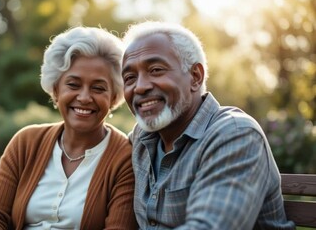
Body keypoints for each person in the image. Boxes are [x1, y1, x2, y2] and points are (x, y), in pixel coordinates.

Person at [121, 21, 295, 230]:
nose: (140, 87)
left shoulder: (235, 134)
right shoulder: (141, 138)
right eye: (130, 77)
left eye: (156, 70)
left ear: (195, 77)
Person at [0, 26, 138, 230]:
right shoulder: (26, 142)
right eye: (73, 85)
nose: (84, 97)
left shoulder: (125, 159)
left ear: (113, 97)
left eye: (98, 88)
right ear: (56, 90)